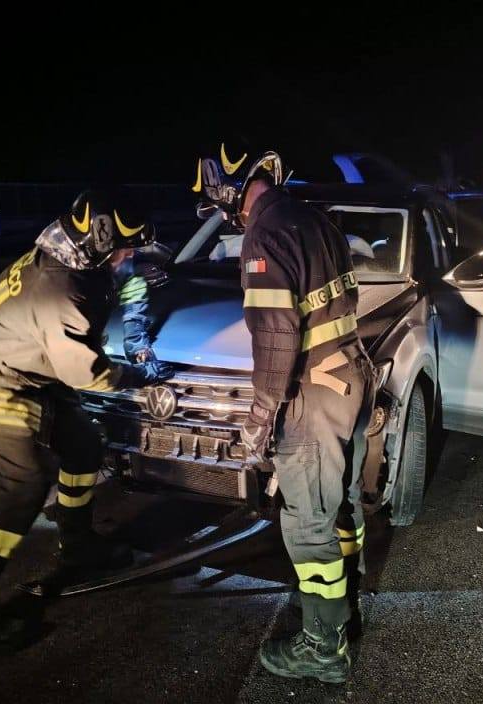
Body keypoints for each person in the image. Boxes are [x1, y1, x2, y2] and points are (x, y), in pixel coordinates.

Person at [0, 190, 172, 647]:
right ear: (100, 242)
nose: (129, 257)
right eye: (125, 249)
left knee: (84, 444)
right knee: (25, 485)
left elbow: (123, 291)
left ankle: (78, 545)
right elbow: (84, 373)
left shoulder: (79, 260)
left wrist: (135, 313)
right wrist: (136, 376)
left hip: (27, 370)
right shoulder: (59, 288)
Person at [194, 145, 373, 683]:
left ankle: (323, 647)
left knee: (308, 522)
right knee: (341, 505)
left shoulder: (265, 234)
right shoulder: (314, 219)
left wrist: (260, 418)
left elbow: (275, 339)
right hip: (350, 374)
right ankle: (343, 604)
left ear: (231, 186)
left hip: (314, 394)